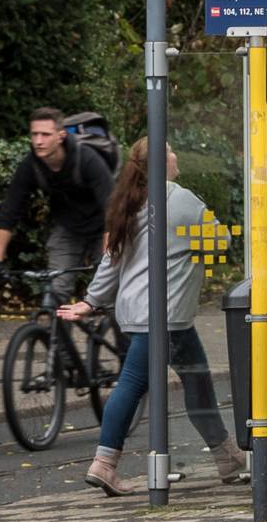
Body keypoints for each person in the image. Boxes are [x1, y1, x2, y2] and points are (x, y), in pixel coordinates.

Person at [55, 139, 242, 495]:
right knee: (133, 383)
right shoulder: (179, 199)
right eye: (170, 150)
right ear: (161, 161)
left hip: (147, 313)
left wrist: (91, 301)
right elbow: (220, 241)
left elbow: (112, 260)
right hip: (164, 315)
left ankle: (226, 456)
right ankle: (104, 464)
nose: (175, 154)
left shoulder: (130, 201)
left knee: (197, 380)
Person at [0, 108, 114, 359]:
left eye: (45, 134)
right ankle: (62, 361)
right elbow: (10, 212)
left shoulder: (87, 159)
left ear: (61, 135)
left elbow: (113, 210)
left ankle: (128, 354)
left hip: (104, 228)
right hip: (68, 229)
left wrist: (109, 258)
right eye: (34, 134)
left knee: (112, 294)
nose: (38, 141)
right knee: (57, 292)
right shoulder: (31, 165)